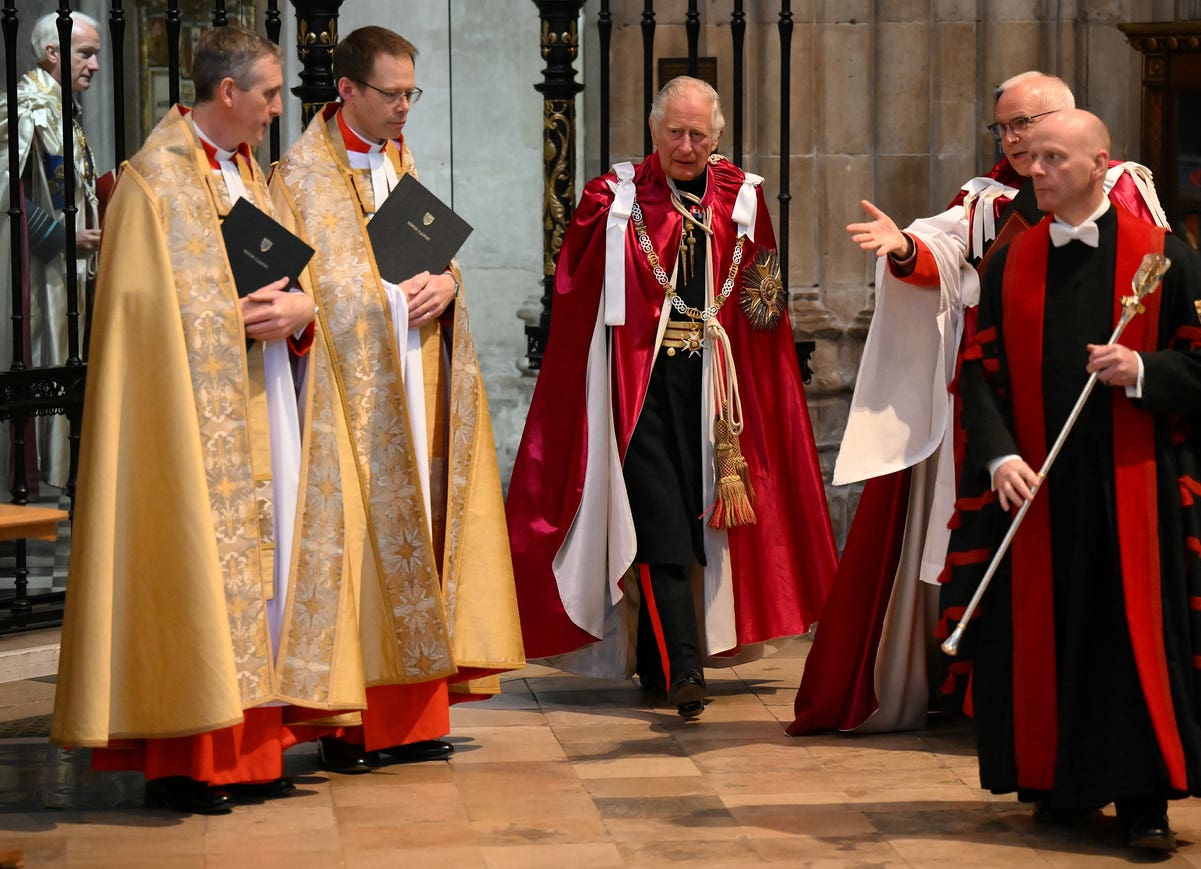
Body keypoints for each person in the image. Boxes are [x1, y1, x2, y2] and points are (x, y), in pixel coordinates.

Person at [790, 71, 1201, 742]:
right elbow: (948, 257)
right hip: (1021, 423)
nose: (1018, 144)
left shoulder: (1141, 211)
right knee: (1028, 584)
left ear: (1085, 146)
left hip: (1118, 428)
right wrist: (904, 250)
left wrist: (1142, 370)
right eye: (1006, 129)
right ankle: (1026, 727)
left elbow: (1186, 335)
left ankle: (1132, 737)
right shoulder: (989, 208)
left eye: (1030, 129)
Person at [51, 26, 368, 814]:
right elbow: (136, 321)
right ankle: (193, 756)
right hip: (191, 426)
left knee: (272, 582)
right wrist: (229, 318)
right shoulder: (151, 185)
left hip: (268, 402)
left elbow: (303, 280)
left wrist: (300, 309)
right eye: (266, 95)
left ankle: (255, 749)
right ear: (226, 94)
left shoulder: (256, 179)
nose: (274, 111)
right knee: (196, 574)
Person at [941, 109, 1201, 852]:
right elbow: (978, 369)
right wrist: (1000, 454)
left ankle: (1144, 803)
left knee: (1128, 644)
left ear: (1101, 163)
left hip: (1133, 491)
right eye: (1031, 159)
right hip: (1038, 494)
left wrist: (1142, 370)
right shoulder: (1011, 259)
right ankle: (1059, 782)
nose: (1035, 172)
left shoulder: (1164, 256)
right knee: (1051, 638)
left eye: (1053, 160)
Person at [506, 76, 836, 718]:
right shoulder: (613, 198)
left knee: (694, 515)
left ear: (716, 137)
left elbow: (763, 303)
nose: (685, 146)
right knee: (655, 514)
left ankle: (661, 666)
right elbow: (574, 293)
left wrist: (762, 370)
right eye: (674, 132)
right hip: (641, 384)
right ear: (654, 129)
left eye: (698, 135)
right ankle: (685, 666)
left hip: (713, 385)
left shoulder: (740, 200)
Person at [270, 25, 524, 773]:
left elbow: (436, 270)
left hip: (419, 385)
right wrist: (378, 306)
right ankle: (354, 723)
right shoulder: (297, 181)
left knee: (425, 535)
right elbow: (300, 295)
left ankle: (415, 716)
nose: (405, 107)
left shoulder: (397, 166)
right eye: (392, 94)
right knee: (359, 550)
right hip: (350, 404)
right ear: (345, 90)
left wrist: (451, 286)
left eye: (412, 93)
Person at [0, 11, 103, 490]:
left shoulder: (65, 109)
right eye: (86, 53)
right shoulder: (25, 109)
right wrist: (60, 239)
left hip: (73, 270)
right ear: (52, 53)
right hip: (40, 273)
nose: (96, 65)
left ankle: (71, 472)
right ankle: (36, 478)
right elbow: (7, 196)